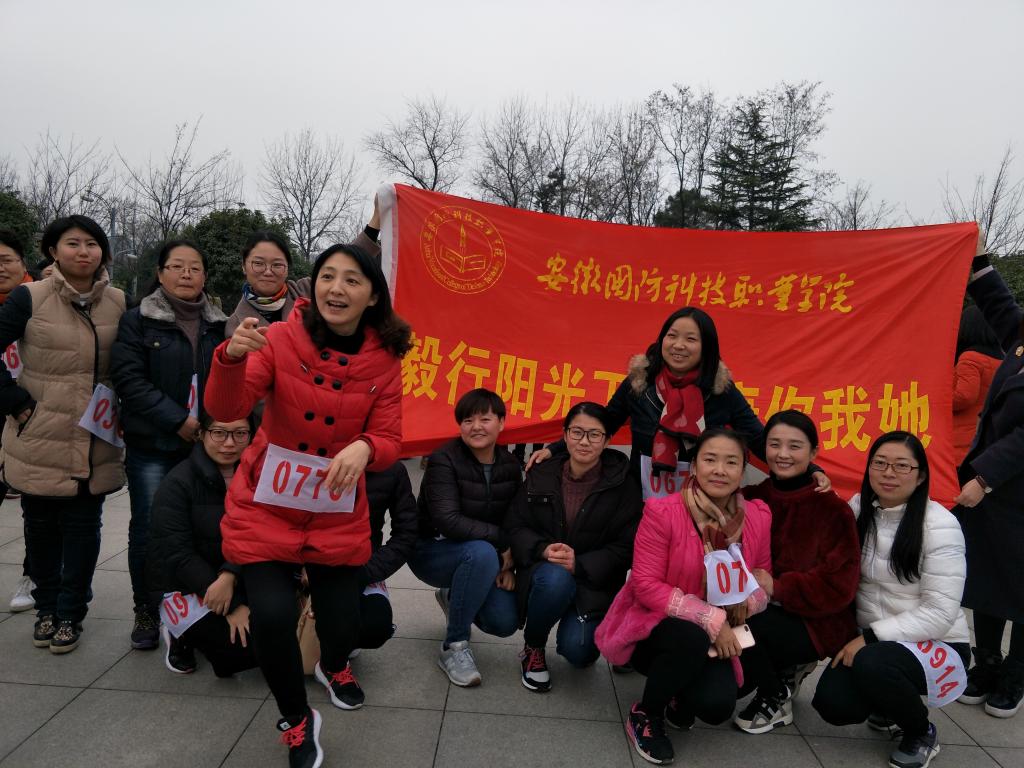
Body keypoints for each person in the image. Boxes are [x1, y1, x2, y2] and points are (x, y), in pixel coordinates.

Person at [204, 240, 408, 768]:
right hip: (268, 505)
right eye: (327, 276)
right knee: (272, 618)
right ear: (313, 286)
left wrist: (365, 447)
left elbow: (390, 439)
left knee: (342, 624)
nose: (336, 288)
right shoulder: (278, 338)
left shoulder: (385, 361)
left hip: (334, 510)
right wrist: (230, 358)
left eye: (352, 280)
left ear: (372, 297)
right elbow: (227, 406)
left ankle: (334, 664)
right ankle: (297, 720)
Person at [596, 428, 772, 765]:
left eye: (731, 462)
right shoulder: (663, 512)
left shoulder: (757, 517)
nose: (719, 470)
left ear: (742, 471)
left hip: (721, 630)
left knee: (716, 706)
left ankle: (679, 691)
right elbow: (645, 584)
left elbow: (761, 578)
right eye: (710, 459)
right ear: (693, 467)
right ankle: (646, 713)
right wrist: (711, 618)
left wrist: (745, 603)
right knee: (690, 638)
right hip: (658, 626)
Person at [528, 307, 828, 495]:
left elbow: (758, 439)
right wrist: (554, 449)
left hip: (702, 500)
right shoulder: (640, 382)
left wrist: (810, 469)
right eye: (672, 336)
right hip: (640, 496)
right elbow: (603, 423)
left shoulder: (721, 391)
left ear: (706, 347)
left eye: (691, 339)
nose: (679, 346)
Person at [0, 215, 126, 654]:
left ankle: (71, 613)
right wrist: (14, 401)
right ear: (53, 251)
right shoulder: (29, 297)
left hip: (94, 438)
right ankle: (46, 608)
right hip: (40, 433)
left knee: (84, 529)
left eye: (92, 243)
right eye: (73, 243)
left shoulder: (118, 301)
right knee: (40, 528)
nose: (83, 252)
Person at [813, 431, 970, 768]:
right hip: (876, 642)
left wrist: (869, 638)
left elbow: (940, 613)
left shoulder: (940, 525)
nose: (888, 473)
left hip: (938, 642)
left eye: (902, 466)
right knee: (832, 704)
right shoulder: (858, 508)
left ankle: (920, 731)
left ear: (921, 476)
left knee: (872, 664)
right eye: (880, 463)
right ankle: (888, 701)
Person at [112, 239, 228, 650]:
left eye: (195, 268)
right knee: (149, 528)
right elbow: (129, 380)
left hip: (205, 446)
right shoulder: (138, 321)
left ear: (205, 276)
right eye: (176, 266)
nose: (186, 274)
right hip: (154, 444)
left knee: (203, 528)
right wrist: (178, 421)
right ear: (160, 273)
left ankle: (192, 609)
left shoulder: (219, 324)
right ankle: (147, 609)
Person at [733, 409, 860, 734]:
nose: (783, 454)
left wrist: (779, 587)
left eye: (795, 446)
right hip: (759, 609)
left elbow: (840, 586)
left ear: (814, 453)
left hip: (816, 621)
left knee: (743, 629)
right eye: (775, 444)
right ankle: (781, 669)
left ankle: (775, 694)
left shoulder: (833, 509)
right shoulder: (753, 496)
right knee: (727, 678)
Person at [505, 401, 642, 692]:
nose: (584, 441)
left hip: (593, 581)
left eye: (594, 434)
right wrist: (543, 549)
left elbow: (626, 546)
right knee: (556, 579)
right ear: (565, 436)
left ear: (607, 440)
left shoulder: (623, 484)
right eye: (577, 432)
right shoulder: (541, 473)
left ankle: (574, 621)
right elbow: (515, 525)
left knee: (579, 654)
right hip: (546, 572)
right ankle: (533, 647)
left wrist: (579, 563)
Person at [952, 250, 1024, 718]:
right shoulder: (1020, 340)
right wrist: (975, 259)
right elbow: (1000, 306)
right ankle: (987, 662)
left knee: (1020, 585)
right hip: (994, 495)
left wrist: (984, 477)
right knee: (987, 578)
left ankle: (1016, 674)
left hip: (1010, 489)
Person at [410, 388, 521, 687]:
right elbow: (448, 520)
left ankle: (453, 595)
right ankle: (454, 646)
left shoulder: (510, 466)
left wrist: (509, 565)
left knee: (503, 621)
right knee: (482, 553)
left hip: (481, 553)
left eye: (485, 419)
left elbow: (514, 519)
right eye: (468, 420)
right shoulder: (443, 460)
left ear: (501, 423)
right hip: (431, 550)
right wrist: (500, 543)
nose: (476, 427)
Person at [147, 414, 258, 676]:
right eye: (219, 433)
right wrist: (232, 605)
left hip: (238, 574)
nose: (229, 443)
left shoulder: (259, 475)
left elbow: (261, 535)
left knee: (274, 639)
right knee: (239, 655)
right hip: (188, 583)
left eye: (240, 433)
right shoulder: (177, 483)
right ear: (201, 434)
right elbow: (177, 555)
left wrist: (231, 576)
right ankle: (178, 632)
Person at [224, 203, 381, 337]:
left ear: (287, 268)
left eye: (277, 265)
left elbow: (348, 263)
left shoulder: (307, 290)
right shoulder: (236, 325)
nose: (268, 271)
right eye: (258, 263)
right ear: (244, 266)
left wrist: (377, 219)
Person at [0, 230, 35, 612]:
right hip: (11, 406)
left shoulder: (39, 300)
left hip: (33, 417)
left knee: (36, 506)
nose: (0, 268)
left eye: (6, 259)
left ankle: (32, 574)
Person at [952, 305, 1002, 466]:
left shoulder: (970, 358)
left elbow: (964, 396)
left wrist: (936, 397)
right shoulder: (1002, 360)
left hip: (961, 440)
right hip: (986, 437)